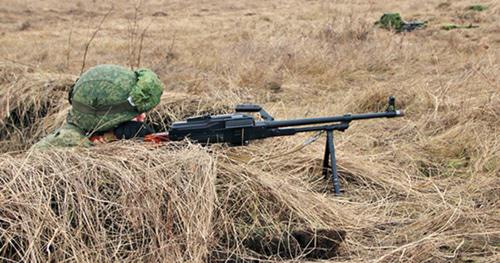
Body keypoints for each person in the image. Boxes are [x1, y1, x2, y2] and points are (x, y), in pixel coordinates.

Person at [31, 64, 164, 149]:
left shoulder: (77, 135)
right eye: (134, 113)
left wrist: (111, 137)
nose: (143, 117)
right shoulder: (69, 148)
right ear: (104, 119)